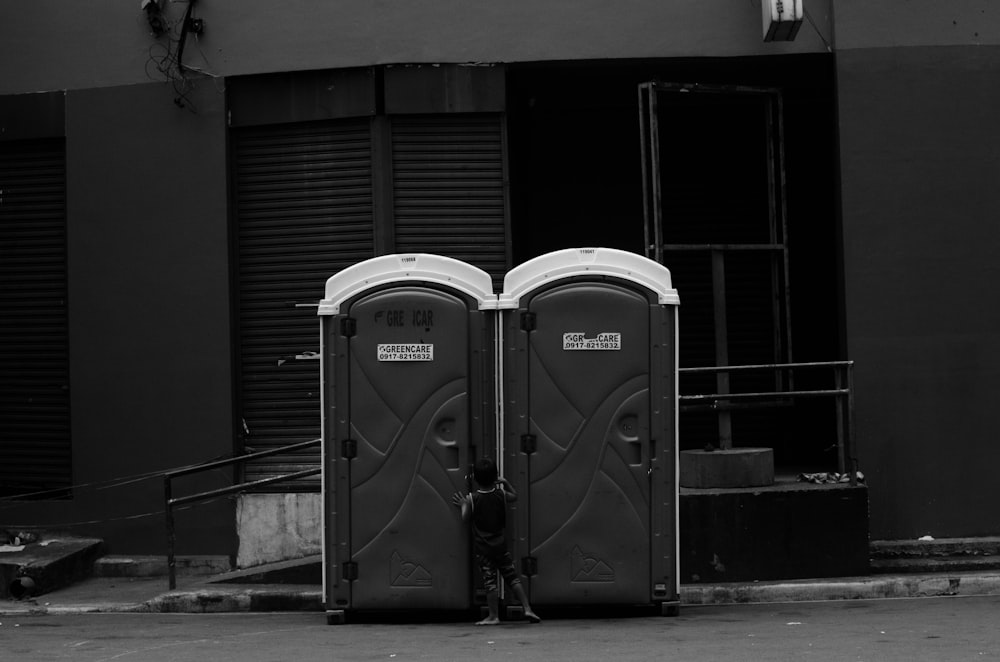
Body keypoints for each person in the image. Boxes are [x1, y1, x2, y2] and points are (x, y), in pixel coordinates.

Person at [452, 457, 541, 625]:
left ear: (475, 479)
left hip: (484, 549)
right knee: (512, 577)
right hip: (500, 545)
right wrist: (505, 482)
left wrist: (463, 504)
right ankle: (527, 608)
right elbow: (514, 496)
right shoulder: (501, 494)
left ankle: (494, 616)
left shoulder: (473, 498)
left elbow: (465, 518)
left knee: (490, 581)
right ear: (496, 477)